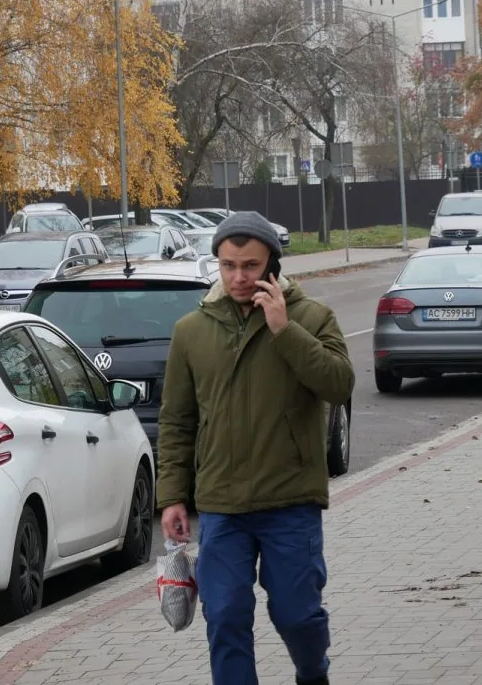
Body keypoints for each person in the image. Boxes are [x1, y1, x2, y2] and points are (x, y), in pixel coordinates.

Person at [157, 210, 355, 685]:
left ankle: (314, 674)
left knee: (297, 616)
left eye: (249, 266)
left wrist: (284, 330)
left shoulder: (310, 317)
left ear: (272, 266)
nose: (239, 277)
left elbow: (338, 383)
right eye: (228, 266)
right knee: (224, 617)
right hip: (223, 506)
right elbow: (178, 421)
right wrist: (172, 496)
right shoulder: (192, 331)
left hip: (290, 501)